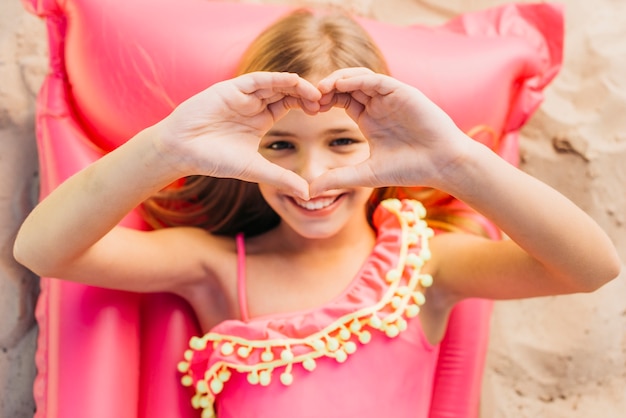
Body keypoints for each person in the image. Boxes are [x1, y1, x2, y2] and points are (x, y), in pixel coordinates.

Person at [13, 8, 620, 418]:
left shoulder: (425, 266)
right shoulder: (219, 267)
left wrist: (456, 162)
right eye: (280, 145)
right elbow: (42, 251)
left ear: (384, 142)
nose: (312, 176)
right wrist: (167, 146)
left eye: (343, 141)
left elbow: (590, 267)